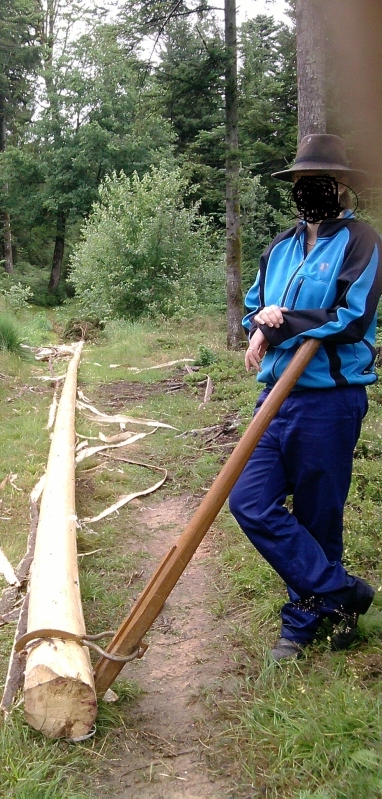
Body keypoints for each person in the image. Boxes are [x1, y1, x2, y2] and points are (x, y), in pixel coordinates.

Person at [229, 134, 382, 661]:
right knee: (248, 501)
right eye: (302, 181)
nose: (310, 189)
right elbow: (254, 308)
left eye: (321, 181)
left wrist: (281, 323)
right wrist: (259, 322)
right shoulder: (280, 246)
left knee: (320, 515)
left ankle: (300, 623)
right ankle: (343, 593)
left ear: (342, 187)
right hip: (275, 397)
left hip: (329, 400)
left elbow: (352, 316)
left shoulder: (362, 241)